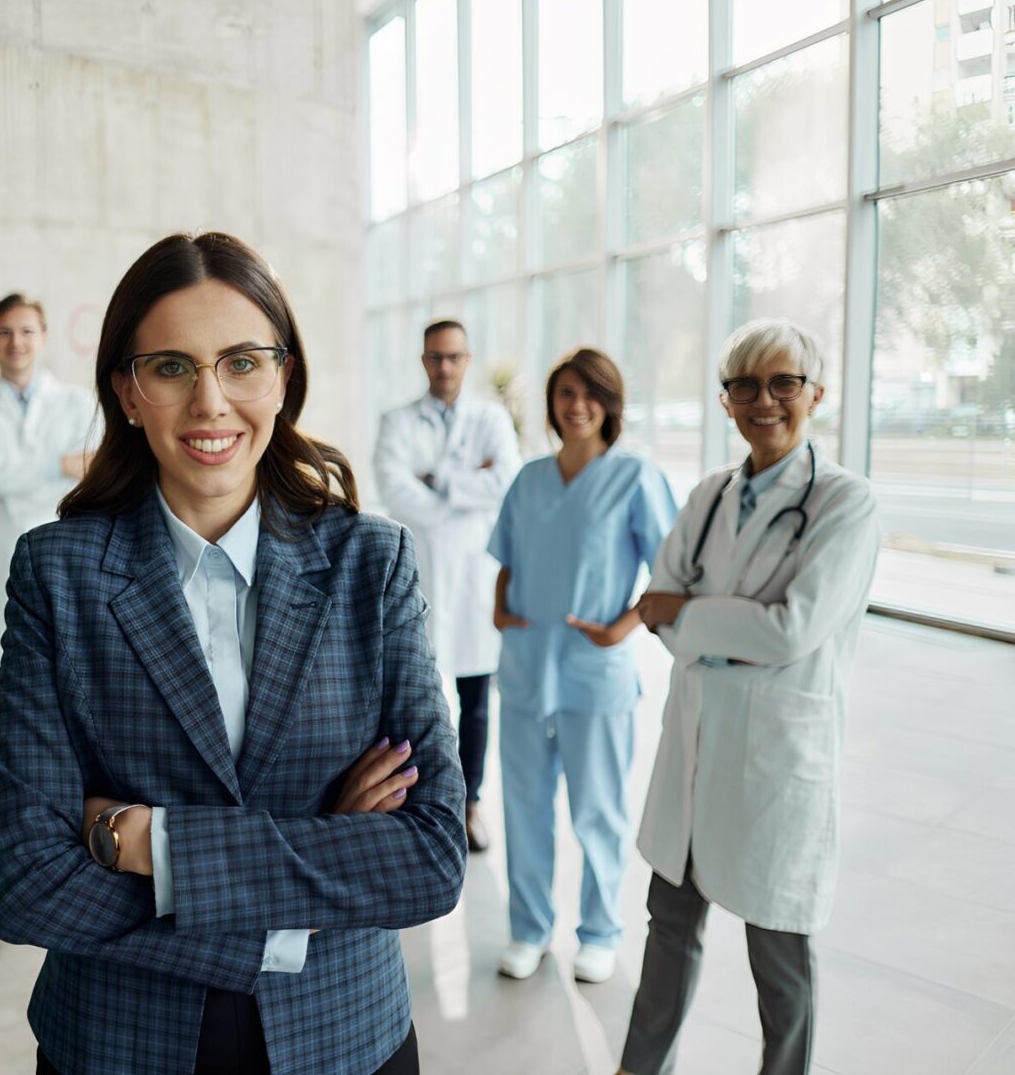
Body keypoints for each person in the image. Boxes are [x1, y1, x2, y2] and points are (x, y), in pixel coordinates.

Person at [0, 232, 466, 1075]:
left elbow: (428, 858)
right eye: (171, 367)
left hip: (345, 1035)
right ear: (127, 392)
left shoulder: (370, 562)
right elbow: (30, 884)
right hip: (120, 1043)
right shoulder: (56, 573)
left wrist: (157, 845)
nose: (209, 402)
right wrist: (309, 875)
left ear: (283, 378)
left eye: (241, 363)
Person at [618, 321, 880, 1075]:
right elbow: (655, 604)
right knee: (668, 924)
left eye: (783, 383)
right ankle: (638, 1068)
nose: (763, 401)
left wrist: (691, 617)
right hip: (695, 744)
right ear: (725, 400)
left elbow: (791, 630)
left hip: (774, 758)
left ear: (815, 394)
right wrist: (719, 627)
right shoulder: (707, 496)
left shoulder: (845, 503)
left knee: (778, 952)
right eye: (744, 385)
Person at [486, 348, 676, 985]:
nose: (577, 406)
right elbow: (507, 555)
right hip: (525, 668)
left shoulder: (634, 477)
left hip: (594, 674)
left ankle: (598, 933)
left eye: (591, 394)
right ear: (551, 402)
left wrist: (623, 626)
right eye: (565, 393)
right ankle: (529, 929)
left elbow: (671, 573)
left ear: (611, 404)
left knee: (598, 811)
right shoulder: (530, 478)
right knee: (524, 808)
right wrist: (499, 608)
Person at [374, 318, 520, 852]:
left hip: (476, 579)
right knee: (417, 696)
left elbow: (505, 479)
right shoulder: (397, 422)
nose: (445, 366)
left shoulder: (491, 418)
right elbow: (395, 490)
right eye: (436, 356)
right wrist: (465, 491)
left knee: (475, 702)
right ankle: (421, 804)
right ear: (423, 360)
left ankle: (469, 804)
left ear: (468, 360)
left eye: (454, 357)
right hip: (424, 577)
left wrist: (437, 481)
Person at [0, 294, 100, 713]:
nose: (16, 342)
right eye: (5, 332)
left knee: (70, 694)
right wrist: (58, 465)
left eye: (26, 331)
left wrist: (7, 476)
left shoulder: (80, 405)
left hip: (63, 555)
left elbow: (91, 471)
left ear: (44, 336)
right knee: (2, 701)